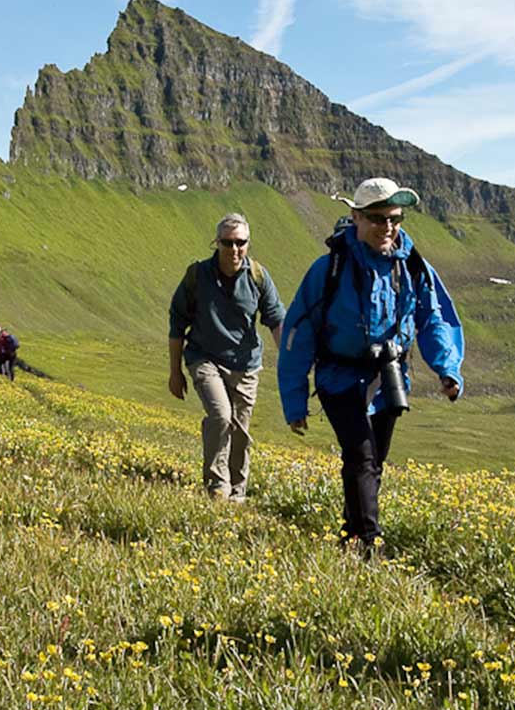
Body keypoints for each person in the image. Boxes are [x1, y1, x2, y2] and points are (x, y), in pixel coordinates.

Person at [278, 178, 463, 558]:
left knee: (373, 461)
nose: (388, 227)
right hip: (338, 379)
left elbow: (435, 320)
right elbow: (298, 335)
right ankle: (370, 546)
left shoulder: (413, 266)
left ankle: (350, 534)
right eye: (377, 218)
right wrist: (295, 402)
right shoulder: (328, 269)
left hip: (388, 380)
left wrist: (447, 369)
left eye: (395, 218)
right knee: (360, 455)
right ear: (356, 217)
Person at [168, 213, 287, 502]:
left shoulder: (258, 276)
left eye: (240, 243)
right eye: (228, 243)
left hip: (245, 365)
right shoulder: (198, 275)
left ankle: (237, 490)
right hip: (204, 358)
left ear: (248, 243)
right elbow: (177, 323)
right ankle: (216, 486)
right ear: (217, 243)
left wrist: (289, 365)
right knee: (221, 415)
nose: (234, 250)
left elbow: (276, 320)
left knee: (241, 429)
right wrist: (175, 372)